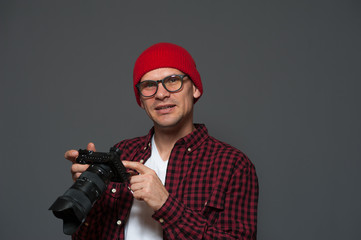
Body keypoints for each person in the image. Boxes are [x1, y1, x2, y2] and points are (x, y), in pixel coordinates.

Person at [65, 42, 259, 240]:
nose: (161, 94)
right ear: (141, 100)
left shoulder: (233, 165)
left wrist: (166, 205)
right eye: (149, 85)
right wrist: (88, 194)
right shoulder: (123, 152)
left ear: (195, 89)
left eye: (173, 80)